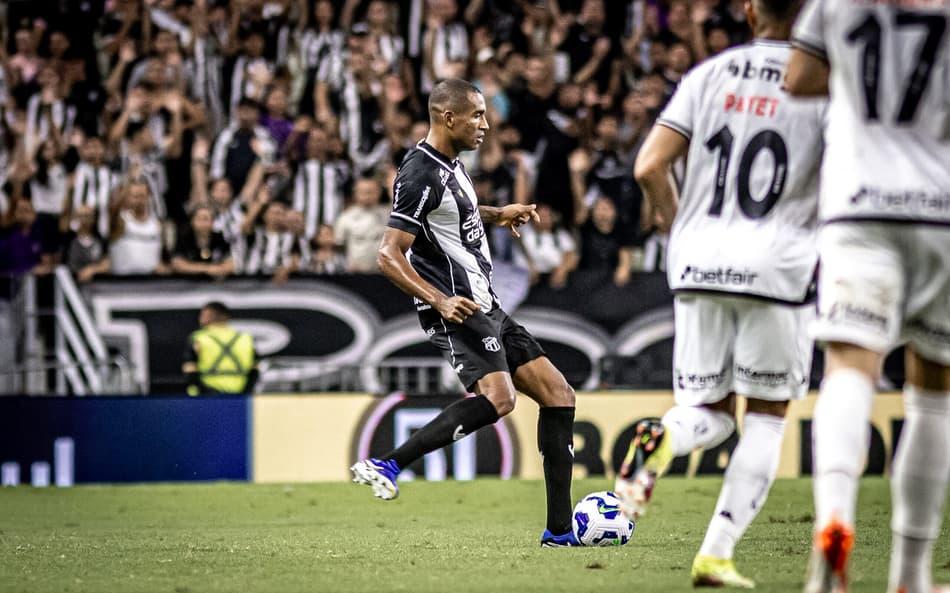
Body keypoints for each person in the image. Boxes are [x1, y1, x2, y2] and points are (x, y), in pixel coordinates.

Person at [619, 0, 825, 586]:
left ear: (750, 11)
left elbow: (648, 167)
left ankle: (662, 437)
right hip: (777, 266)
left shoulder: (707, 74)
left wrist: (678, 225)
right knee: (765, 418)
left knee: (707, 413)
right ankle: (715, 553)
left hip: (698, 260)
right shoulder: (822, 85)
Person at [350, 78, 579, 548]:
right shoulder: (419, 172)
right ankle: (387, 464)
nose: (485, 124)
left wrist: (498, 213)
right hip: (458, 307)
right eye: (477, 115)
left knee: (559, 394)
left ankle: (559, 532)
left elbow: (455, 213)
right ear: (448, 117)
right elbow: (388, 255)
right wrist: (439, 300)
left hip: (485, 302)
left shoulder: (451, 164)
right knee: (500, 399)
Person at [786, 3, 950, 593]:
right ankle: (911, 574)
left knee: (850, 369)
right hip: (941, 209)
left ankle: (834, 520)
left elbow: (799, 77)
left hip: (858, 206)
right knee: (935, 391)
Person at [182, 301, 258, 395]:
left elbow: (190, 369)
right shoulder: (246, 338)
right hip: (240, 394)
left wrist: (203, 392)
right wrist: (245, 391)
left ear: (207, 315)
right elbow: (255, 370)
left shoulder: (198, 338)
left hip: (205, 395)